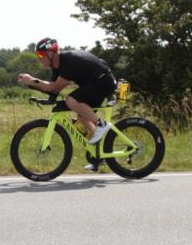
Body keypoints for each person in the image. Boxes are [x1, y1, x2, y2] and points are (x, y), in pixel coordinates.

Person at [17, 37, 117, 165]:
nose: (39, 58)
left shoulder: (68, 62)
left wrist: (32, 80)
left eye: (41, 54)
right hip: (95, 83)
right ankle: (97, 154)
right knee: (82, 118)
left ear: (51, 53)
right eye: (37, 54)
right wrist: (31, 85)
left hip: (102, 82)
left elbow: (55, 87)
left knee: (71, 100)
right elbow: (52, 90)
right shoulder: (57, 66)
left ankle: (101, 125)